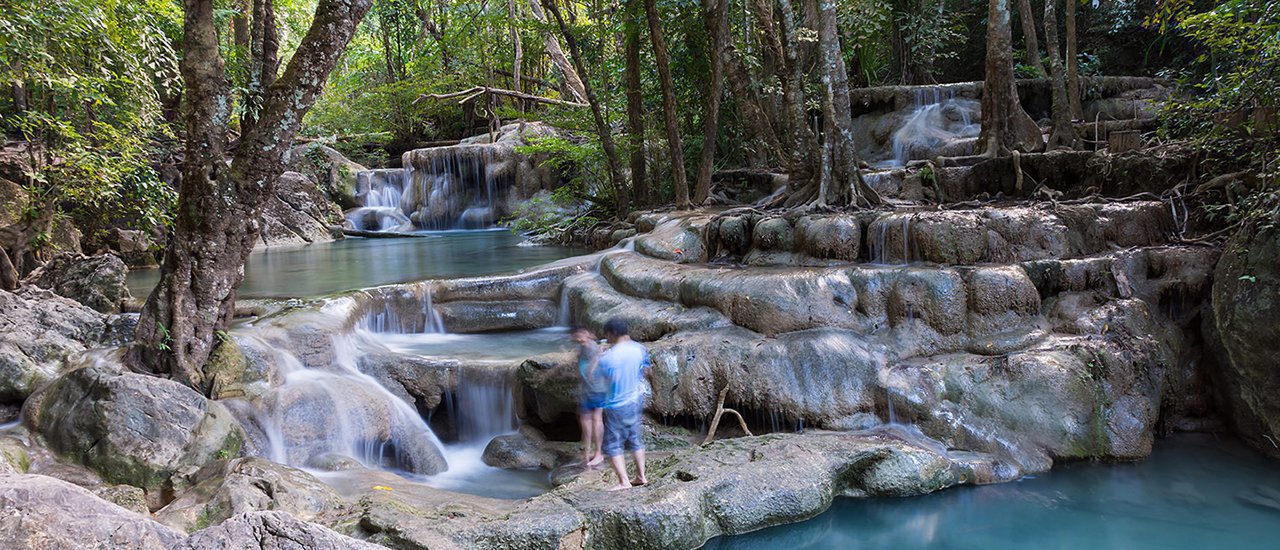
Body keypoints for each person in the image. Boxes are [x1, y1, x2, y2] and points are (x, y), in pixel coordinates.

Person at [597, 317, 650, 491]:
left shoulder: (608, 358)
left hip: (616, 405)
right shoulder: (639, 349)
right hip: (635, 400)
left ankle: (624, 482)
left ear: (612, 333)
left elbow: (603, 380)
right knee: (635, 440)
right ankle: (641, 476)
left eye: (607, 335)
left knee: (613, 445)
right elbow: (646, 370)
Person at [572, 327, 606, 467]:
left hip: (597, 389)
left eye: (581, 334)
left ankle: (598, 453)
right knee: (585, 419)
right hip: (586, 390)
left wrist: (591, 370)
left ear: (588, 334)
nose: (579, 337)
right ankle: (588, 451)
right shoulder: (583, 347)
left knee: (596, 419)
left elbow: (597, 358)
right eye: (577, 335)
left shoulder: (592, 347)